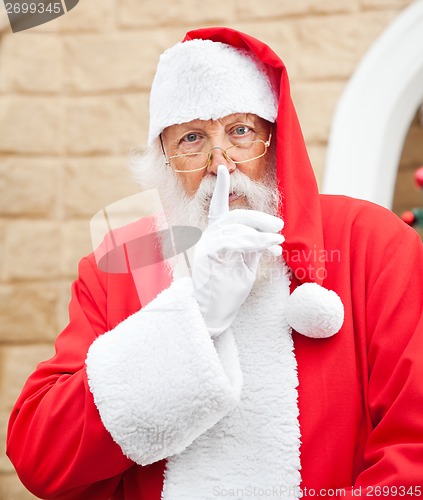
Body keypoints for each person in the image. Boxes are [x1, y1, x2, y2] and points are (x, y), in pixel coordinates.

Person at [6, 27, 423, 500]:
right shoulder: (118, 265)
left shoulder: (371, 241)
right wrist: (194, 319)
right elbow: (40, 458)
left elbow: (412, 459)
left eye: (241, 132)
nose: (219, 164)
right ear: (163, 161)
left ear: (275, 139)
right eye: (191, 139)